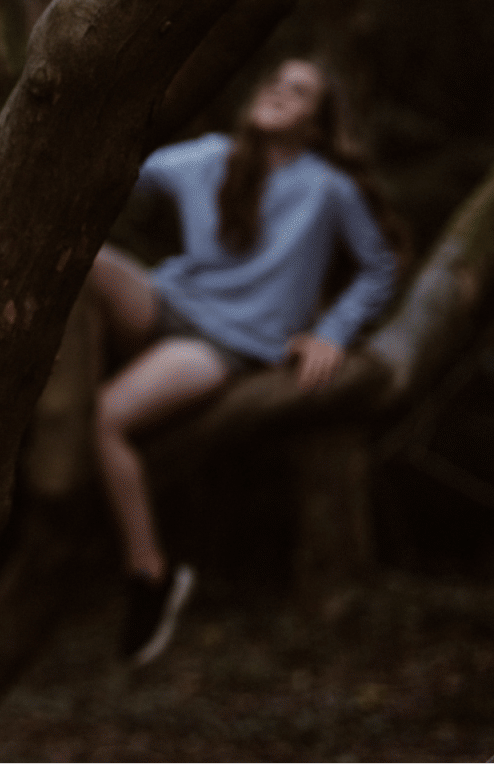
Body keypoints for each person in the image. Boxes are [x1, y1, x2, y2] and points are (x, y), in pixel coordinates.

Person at [86, 57, 398, 667]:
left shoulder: (327, 188)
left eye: (299, 90)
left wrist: (332, 332)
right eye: (276, 81)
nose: (280, 92)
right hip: (165, 304)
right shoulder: (210, 155)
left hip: (226, 343)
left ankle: (150, 573)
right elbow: (118, 170)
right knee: (80, 257)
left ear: (316, 121)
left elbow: (380, 265)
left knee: (105, 419)